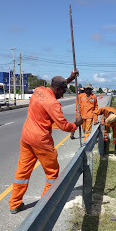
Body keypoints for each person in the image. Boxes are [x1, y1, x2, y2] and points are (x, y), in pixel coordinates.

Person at [9, 71, 83, 214]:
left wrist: (69, 79)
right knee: (52, 173)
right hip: (41, 141)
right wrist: (76, 124)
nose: (63, 94)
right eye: (63, 91)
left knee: (22, 172)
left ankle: (14, 204)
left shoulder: (38, 90)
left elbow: (58, 85)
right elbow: (64, 126)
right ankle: (45, 204)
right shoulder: (53, 104)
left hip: (26, 137)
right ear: (57, 89)